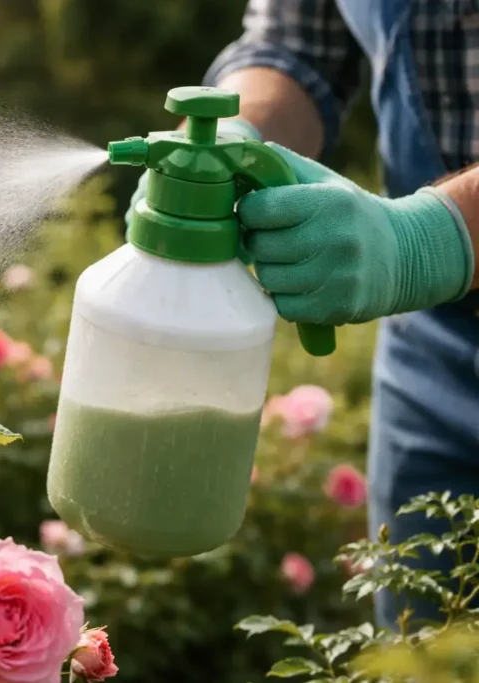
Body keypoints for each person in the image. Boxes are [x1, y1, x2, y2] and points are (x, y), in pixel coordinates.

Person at [129, 0, 479, 629]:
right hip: (432, 353)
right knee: (425, 650)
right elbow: (296, 47)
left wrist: (431, 242)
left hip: (425, 267)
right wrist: (235, 138)